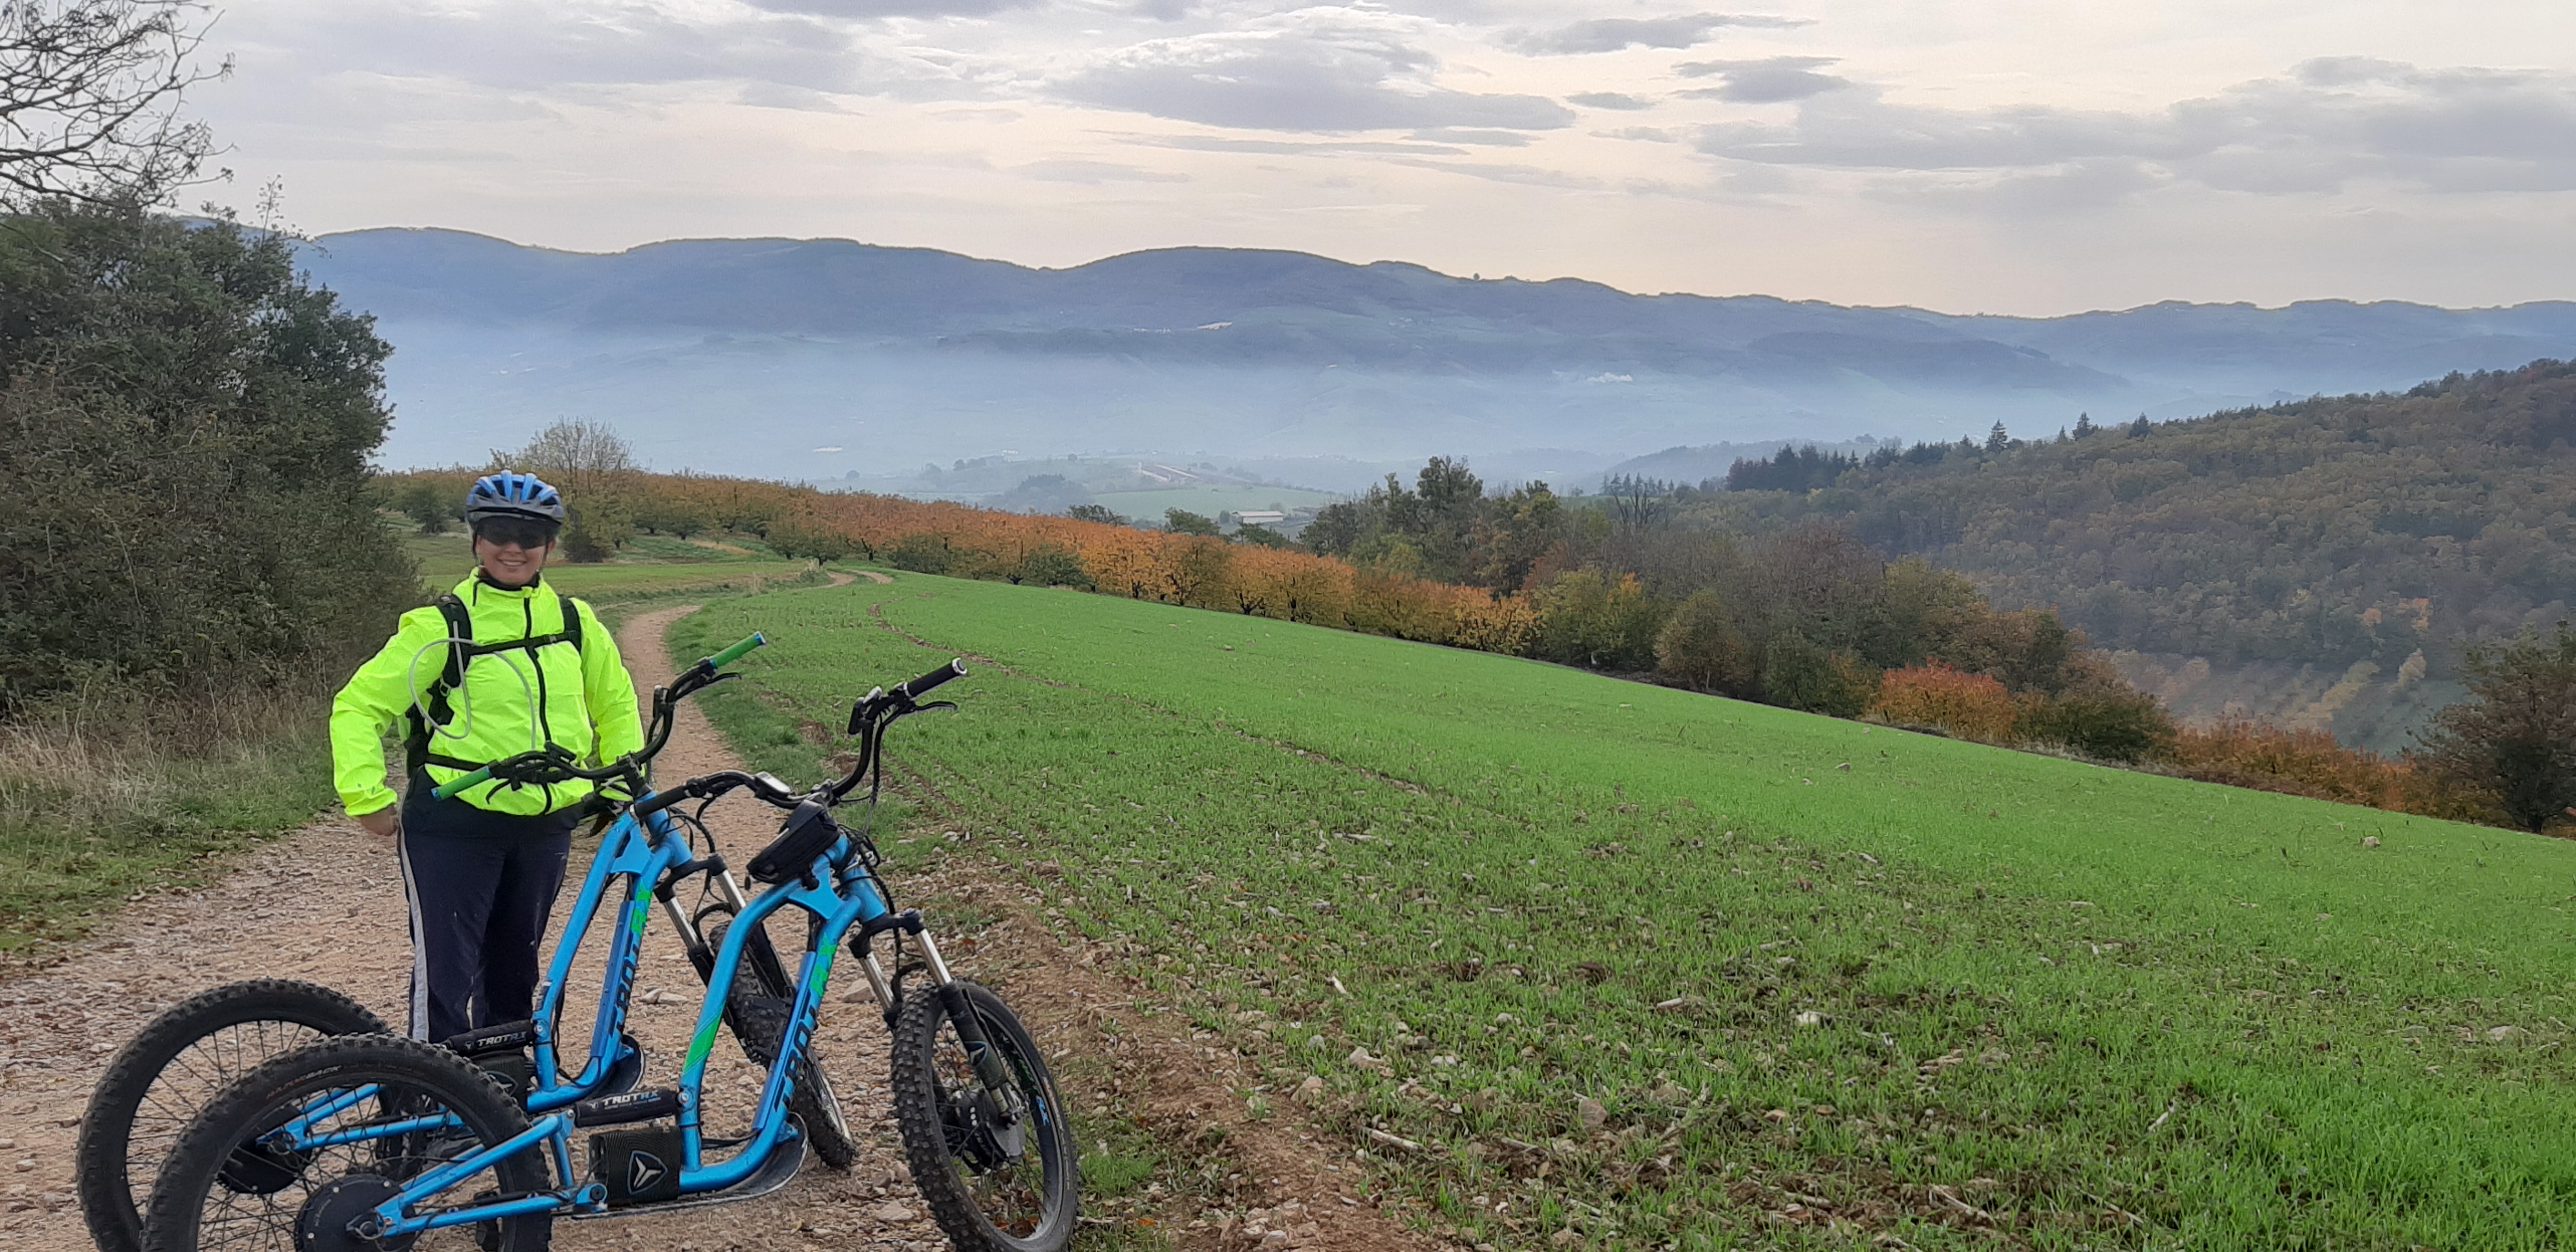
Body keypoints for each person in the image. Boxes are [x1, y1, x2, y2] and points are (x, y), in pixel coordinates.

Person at [330, 471, 644, 1042]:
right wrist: (365, 796)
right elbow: (358, 705)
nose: (514, 547)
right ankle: (431, 1113)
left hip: (546, 826)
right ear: (476, 540)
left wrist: (620, 786)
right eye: (499, 531)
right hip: (455, 825)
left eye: (530, 535)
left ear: (550, 546)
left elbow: (616, 706)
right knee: (444, 980)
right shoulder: (441, 627)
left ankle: (502, 1104)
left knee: (515, 974)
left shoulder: (576, 625)